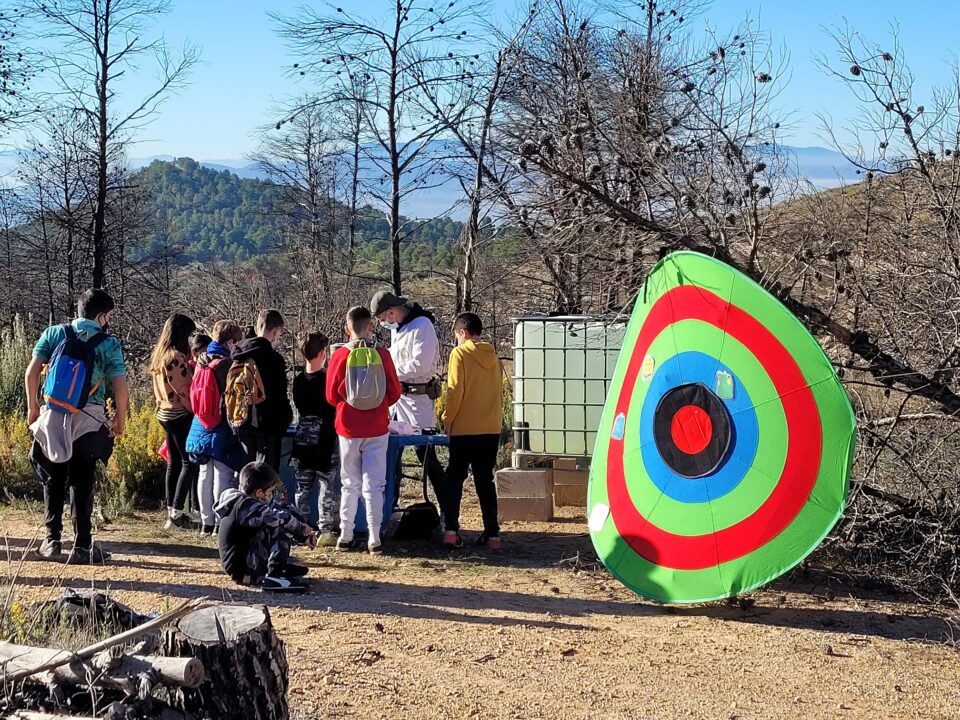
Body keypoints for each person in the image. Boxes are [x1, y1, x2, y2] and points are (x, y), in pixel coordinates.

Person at [24, 289, 128, 564]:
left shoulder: (54, 333)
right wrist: (119, 419)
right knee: (82, 480)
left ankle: (51, 542)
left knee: (53, 477)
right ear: (101, 316)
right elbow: (120, 384)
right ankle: (82, 546)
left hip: (53, 414)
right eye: (108, 316)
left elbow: (32, 371)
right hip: (89, 417)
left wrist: (33, 407)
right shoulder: (109, 343)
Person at [326, 306, 401, 554]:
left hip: (347, 427)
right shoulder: (382, 354)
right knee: (375, 484)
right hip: (377, 427)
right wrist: (378, 405)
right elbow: (394, 392)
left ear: (347, 328)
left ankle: (345, 535)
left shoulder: (340, 355)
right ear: (371, 327)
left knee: (349, 483)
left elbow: (330, 396)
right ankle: (374, 537)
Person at [370, 290, 447, 514]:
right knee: (392, 457)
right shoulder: (398, 329)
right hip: (397, 399)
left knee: (427, 457)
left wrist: (389, 372)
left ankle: (448, 512)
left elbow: (419, 365)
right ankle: (389, 508)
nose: (384, 323)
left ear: (392, 312)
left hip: (417, 400)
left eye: (383, 318)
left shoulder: (423, 326)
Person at [441, 313, 504, 549]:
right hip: (490, 427)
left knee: (455, 478)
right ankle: (493, 535)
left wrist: (448, 418)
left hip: (464, 428)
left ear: (463, 333)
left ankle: (451, 531)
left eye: (456, 336)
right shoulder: (494, 357)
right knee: (485, 480)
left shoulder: (459, 354)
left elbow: (455, 390)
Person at [215, 461, 316, 593]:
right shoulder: (244, 505)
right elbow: (280, 518)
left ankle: (276, 569)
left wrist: (304, 535)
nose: (271, 494)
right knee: (278, 524)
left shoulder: (248, 501)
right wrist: (302, 529)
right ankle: (274, 576)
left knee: (280, 516)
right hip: (243, 570)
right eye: (270, 491)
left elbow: (282, 507)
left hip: (246, 562)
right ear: (259, 493)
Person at [187, 320, 247, 536]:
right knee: (223, 473)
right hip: (220, 424)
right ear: (230, 342)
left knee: (204, 473)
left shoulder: (201, 360)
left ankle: (206, 522)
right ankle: (221, 523)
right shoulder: (227, 364)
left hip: (200, 423)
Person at [150, 313, 200, 530]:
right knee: (189, 462)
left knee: (174, 462)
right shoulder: (175, 358)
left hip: (164, 412)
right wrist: (197, 411)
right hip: (179, 413)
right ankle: (177, 512)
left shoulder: (160, 355)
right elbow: (184, 390)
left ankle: (171, 510)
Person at [291, 330, 339, 545]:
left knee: (302, 488)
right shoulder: (328, 379)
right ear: (322, 353)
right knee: (326, 487)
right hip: (326, 440)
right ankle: (325, 531)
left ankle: (300, 529)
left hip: (303, 439)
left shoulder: (298, 381)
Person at [231, 309, 293, 472]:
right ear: (276, 331)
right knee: (266, 475)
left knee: (246, 472)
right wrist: (285, 419)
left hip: (242, 420)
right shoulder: (274, 359)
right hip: (267, 424)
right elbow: (280, 396)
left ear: (257, 327)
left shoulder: (238, 355)